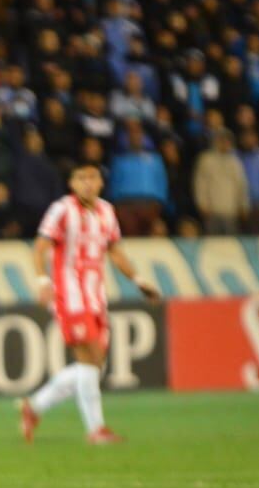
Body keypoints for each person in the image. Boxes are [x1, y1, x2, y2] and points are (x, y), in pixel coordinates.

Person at [17, 164, 160, 445]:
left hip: (96, 296)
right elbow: (40, 247)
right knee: (89, 358)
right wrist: (41, 281)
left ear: (100, 183)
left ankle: (34, 406)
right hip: (69, 294)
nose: (87, 183)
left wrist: (138, 279)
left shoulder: (107, 211)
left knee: (94, 365)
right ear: (72, 183)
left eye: (92, 177)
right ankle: (96, 430)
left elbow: (115, 251)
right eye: (81, 178)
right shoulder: (62, 209)